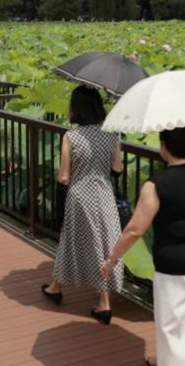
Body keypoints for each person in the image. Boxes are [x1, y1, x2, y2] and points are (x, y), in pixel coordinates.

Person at [101, 126, 185, 366]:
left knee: (173, 332)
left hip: (176, 268)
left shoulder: (157, 184)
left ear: (164, 146)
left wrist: (112, 259)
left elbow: (135, 230)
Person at [40, 86, 124, 325]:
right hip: (104, 194)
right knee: (105, 244)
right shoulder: (112, 133)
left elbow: (64, 177)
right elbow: (117, 169)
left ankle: (103, 302)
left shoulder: (71, 136)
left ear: (77, 109)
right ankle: (57, 286)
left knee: (74, 240)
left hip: (80, 195)